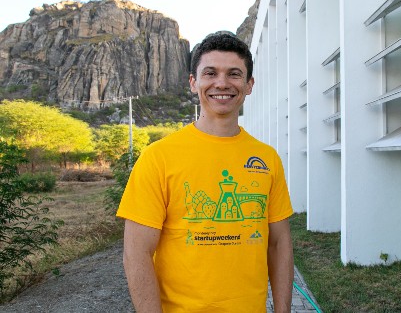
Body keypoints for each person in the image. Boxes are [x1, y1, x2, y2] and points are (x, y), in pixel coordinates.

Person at [116, 32, 294, 312]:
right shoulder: (158, 157)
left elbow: (279, 243)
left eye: (234, 74)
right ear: (193, 82)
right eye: (210, 73)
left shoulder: (266, 158)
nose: (221, 83)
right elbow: (136, 253)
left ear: (249, 85)